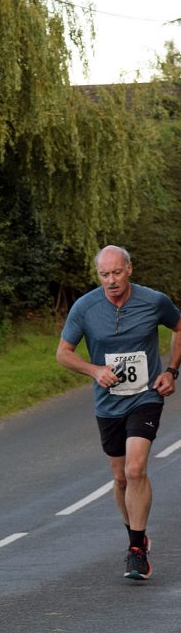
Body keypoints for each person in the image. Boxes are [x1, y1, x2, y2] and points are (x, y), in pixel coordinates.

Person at [56, 245, 181, 580]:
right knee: (121, 477)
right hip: (108, 402)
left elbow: (179, 327)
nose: (111, 280)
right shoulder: (85, 308)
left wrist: (171, 371)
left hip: (146, 397)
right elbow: (63, 353)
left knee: (136, 466)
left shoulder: (154, 301)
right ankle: (136, 537)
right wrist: (94, 370)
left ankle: (137, 551)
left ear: (130, 269)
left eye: (116, 273)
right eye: (104, 274)